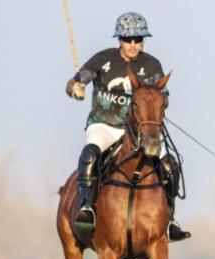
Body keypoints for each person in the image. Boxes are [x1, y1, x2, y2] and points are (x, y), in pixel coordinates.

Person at [65, 12, 190, 241]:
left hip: (138, 131)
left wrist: (161, 103)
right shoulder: (102, 60)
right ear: (119, 39)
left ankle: (169, 219)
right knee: (89, 155)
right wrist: (76, 88)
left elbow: (164, 96)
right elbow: (74, 82)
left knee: (170, 165)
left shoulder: (152, 66)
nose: (133, 45)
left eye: (138, 39)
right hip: (105, 125)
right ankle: (86, 209)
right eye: (128, 39)